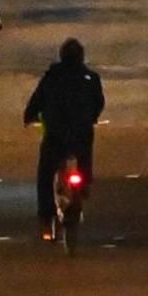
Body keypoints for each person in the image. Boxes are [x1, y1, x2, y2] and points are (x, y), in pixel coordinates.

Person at [24, 39, 106, 238]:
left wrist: (29, 116)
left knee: (45, 173)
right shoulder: (90, 77)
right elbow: (99, 102)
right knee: (84, 155)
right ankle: (84, 182)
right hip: (81, 133)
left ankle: (46, 218)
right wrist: (91, 117)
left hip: (55, 133)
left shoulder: (52, 77)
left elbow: (37, 100)